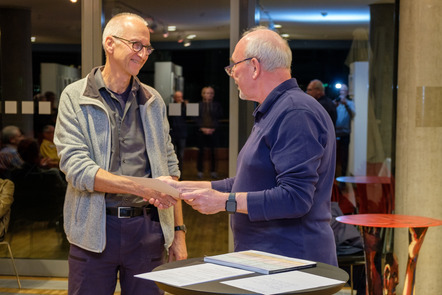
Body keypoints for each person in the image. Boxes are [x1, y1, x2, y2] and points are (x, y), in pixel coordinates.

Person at [159, 26, 337, 266]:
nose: (231, 74)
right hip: (269, 261)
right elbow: (249, 182)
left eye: (234, 66)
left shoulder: (295, 112)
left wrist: (223, 202)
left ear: (254, 66)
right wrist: (180, 188)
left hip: (290, 265)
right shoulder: (275, 110)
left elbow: (295, 198)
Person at [53, 13, 187, 295]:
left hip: (147, 231)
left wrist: (178, 232)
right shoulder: (74, 97)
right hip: (93, 230)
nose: (143, 54)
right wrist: (141, 185)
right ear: (110, 44)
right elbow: (78, 170)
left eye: (147, 48)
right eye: (136, 45)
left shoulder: (153, 101)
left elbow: (170, 168)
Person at [196, 86, 223, 179]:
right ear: (202, 94)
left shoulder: (217, 105)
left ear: (213, 95)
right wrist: (202, 128)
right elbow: (195, 118)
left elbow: (219, 118)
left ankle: (213, 171)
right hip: (201, 131)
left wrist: (212, 128)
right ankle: (200, 171)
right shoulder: (198, 105)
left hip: (213, 131)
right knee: (200, 152)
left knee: (213, 152)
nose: (209, 95)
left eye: (211, 93)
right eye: (207, 93)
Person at [333, 84, 355, 178]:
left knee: (344, 157)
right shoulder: (335, 102)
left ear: (347, 93)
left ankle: (343, 177)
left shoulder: (350, 103)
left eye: (343, 91)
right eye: (340, 91)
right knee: (334, 157)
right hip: (335, 134)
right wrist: (334, 105)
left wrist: (346, 105)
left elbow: (353, 115)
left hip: (345, 134)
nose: (342, 93)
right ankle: (333, 178)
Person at [168, 90, 188, 173]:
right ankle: (173, 172)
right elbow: (171, 119)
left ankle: (181, 172)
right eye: (177, 97)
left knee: (181, 154)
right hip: (173, 133)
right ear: (174, 98)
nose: (178, 98)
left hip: (182, 134)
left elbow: (189, 117)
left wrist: (185, 106)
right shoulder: (171, 106)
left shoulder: (185, 106)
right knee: (173, 154)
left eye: (180, 97)